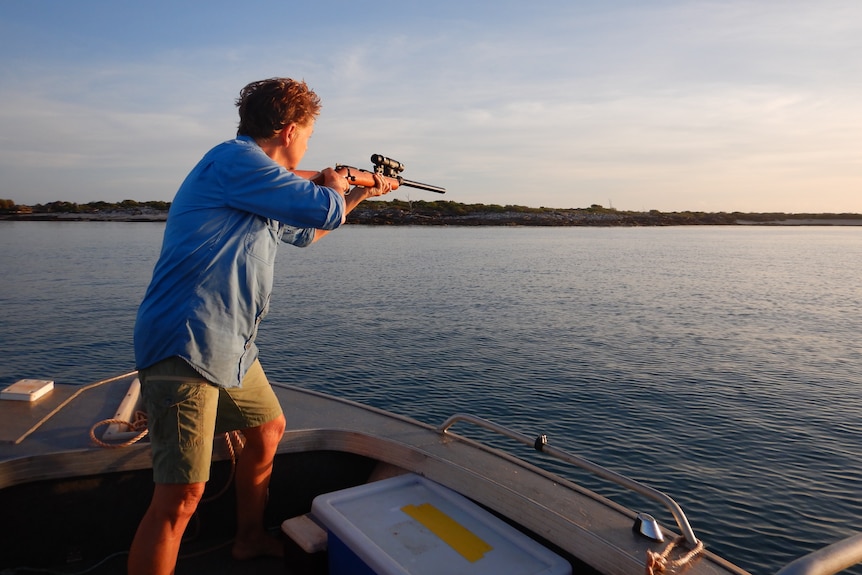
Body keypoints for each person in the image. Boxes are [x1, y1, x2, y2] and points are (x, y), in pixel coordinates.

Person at [128, 77, 391, 575]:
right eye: (309, 137)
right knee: (181, 495)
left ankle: (248, 539)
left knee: (267, 431)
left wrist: (362, 194)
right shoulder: (236, 161)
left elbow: (310, 232)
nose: (308, 146)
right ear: (290, 130)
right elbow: (323, 207)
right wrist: (340, 181)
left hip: (231, 346)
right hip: (187, 343)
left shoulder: (259, 185)